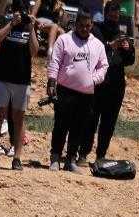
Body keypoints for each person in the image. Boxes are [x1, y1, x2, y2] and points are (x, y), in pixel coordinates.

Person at [47, 11, 108, 171]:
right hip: (65, 90)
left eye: (88, 26)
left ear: (92, 25)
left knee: (78, 127)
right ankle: (55, 157)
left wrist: (94, 79)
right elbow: (55, 61)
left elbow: (103, 66)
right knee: (61, 125)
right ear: (75, 25)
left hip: (86, 94)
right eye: (81, 26)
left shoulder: (98, 45)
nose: (84, 29)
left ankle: (70, 160)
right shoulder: (64, 39)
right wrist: (51, 82)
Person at [0, 0, 38, 170]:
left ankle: (17, 157)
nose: (22, 13)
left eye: (24, 10)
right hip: (2, 77)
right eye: (19, 10)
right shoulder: (5, 20)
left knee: (19, 118)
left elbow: (34, 51)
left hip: (22, 80)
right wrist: (11, 24)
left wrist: (31, 29)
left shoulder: (29, 25)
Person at [81, 2, 135, 164]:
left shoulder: (122, 33)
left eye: (116, 16)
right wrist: (110, 46)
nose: (114, 19)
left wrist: (127, 49)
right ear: (105, 14)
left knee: (109, 123)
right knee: (90, 120)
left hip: (116, 84)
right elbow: (91, 51)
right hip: (98, 84)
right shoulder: (96, 30)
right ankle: (83, 153)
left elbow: (130, 61)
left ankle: (101, 156)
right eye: (111, 16)